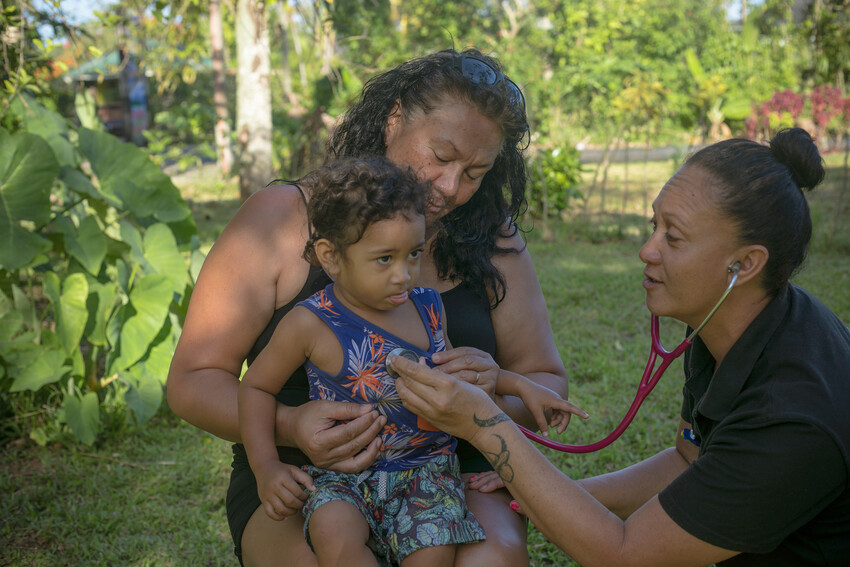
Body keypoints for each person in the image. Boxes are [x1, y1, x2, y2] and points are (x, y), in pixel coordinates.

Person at [167, 48, 570, 567]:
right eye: (441, 156)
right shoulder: (281, 218)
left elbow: (546, 382)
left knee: (490, 562)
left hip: (449, 466)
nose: (449, 187)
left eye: (474, 172)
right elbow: (193, 380)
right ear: (394, 117)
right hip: (302, 472)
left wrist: (486, 400)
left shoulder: (492, 238)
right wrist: (291, 426)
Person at [392, 128, 850, 566]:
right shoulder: (735, 320)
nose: (646, 251)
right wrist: (553, 495)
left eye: (673, 237)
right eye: (655, 225)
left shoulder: (792, 416)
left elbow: (623, 552)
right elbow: (687, 459)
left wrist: (484, 424)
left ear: (745, 264)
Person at [238, 157, 585, 567]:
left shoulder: (428, 308)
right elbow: (255, 388)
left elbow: (456, 371)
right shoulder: (310, 322)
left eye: (414, 254)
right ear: (331, 257)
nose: (404, 275)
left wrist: (523, 386)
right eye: (385, 259)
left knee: (433, 552)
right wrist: (266, 468)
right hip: (343, 477)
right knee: (334, 534)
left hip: (428, 473)